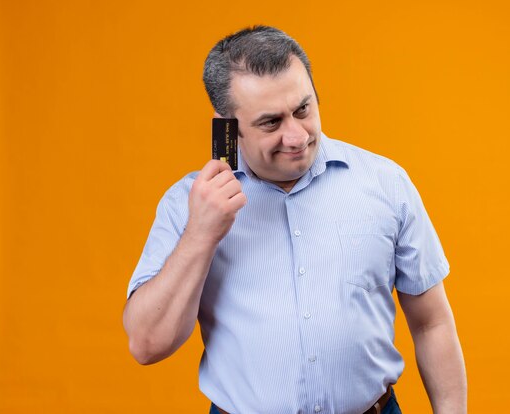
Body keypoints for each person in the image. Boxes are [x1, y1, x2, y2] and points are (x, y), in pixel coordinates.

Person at [123, 25, 467, 414]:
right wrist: (201, 234)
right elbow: (147, 345)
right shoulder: (187, 205)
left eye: (303, 109)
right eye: (271, 122)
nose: (296, 136)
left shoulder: (386, 184)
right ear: (226, 128)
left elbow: (431, 324)